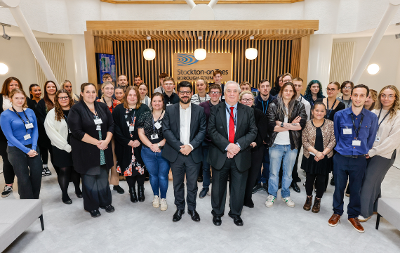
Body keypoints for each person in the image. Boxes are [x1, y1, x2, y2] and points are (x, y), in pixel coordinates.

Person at [328, 84, 378, 233]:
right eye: (355, 94)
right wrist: (344, 148)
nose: (358, 98)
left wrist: (363, 150)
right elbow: (336, 135)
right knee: (339, 187)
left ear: (366, 97)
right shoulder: (339, 115)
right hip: (341, 157)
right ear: (351, 96)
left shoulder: (372, 117)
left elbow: (371, 138)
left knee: (356, 189)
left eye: (362, 95)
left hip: (359, 159)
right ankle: (337, 212)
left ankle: (353, 215)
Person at [208, 81, 257, 226]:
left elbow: (253, 131)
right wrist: (228, 146)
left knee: (238, 187)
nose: (231, 94)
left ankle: (235, 213)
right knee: (217, 188)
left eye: (234, 91)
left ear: (239, 93)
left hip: (240, 155)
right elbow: (211, 130)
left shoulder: (248, 111)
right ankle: (217, 213)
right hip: (220, 154)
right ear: (224, 94)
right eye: (228, 91)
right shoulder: (215, 109)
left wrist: (237, 146)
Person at [68, 83, 115, 218]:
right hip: (86, 150)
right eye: (87, 92)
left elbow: (111, 125)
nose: (91, 94)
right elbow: (76, 132)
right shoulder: (76, 110)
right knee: (89, 180)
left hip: (103, 149)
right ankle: (92, 206)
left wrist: (106, 141)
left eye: (93, 92)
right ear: (82, 93)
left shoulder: (102, 106)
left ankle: (105, 202)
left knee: (102, 178)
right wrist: (97, 143)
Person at [162, 81, 206, 222]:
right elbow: (166, 130)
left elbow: (202, 130)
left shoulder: (199, 110)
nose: (185, 94)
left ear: (191, 93)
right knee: (177, 184)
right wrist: (180, 146)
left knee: (192, 184)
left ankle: (192, 209)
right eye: (182, 92)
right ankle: (180, 208)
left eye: (187, 92)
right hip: (176, 153)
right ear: (178, 93)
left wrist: (190, 146)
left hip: (193, 153)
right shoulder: (170, 109)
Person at [359, 85, 400, 222]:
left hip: (384, 155)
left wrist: (373, 151)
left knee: (369, 181)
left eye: (390, 95)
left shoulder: (398, 116)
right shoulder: (374, 112)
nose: (386, 98)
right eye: (383, 95)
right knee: (374, 180)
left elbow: (392, 141)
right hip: (369, 152)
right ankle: (376, 206)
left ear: (396, 98)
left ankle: (365, 212)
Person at [265, 82, 307, 208]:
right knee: (273, 173)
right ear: (282, 91)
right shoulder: (273, 105)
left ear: (294, 92)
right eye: (286, 90)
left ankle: (285, 194)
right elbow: (271, 127)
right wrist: (290, 125)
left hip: (292, 145)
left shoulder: (300, 106)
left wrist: (282, 124)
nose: (288, 93)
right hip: (276, 144)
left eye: (290, 90)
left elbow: (301, 126)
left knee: (288, 173)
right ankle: (272, 194)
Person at [0, 89, 42, 199]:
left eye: (22, 98)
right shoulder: (5, 115)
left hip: (32, 147)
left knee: (37, 175)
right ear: (11, 99)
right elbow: (9, 136)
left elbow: (35, 130)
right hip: (16, 149)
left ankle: (35, 202)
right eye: (16, 98)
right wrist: (26, 150)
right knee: (23, 179)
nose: (20, 100)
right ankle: (28, 206)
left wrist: (33, 147)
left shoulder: (30, 111)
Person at [113, 86, 150, 203]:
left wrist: (140, 139)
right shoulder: (118, 109)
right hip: (124, 146)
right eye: (130, 95)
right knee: (128, 169)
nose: (132, 97)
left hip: (140, 145)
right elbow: (115, 128)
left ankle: (140, 189)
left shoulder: (144, 109)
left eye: (135, 95)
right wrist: (127, 141)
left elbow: (148, 126)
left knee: (140, 169)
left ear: (138, 96)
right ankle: (132, 190)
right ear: (126, 96)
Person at [44, 89, 82, 204]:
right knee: (64, 170)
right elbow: (51, 132)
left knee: (76, 169)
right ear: (57, 99)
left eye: (65, 97)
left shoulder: (76, 110)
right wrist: (66, 146)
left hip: (76, 144)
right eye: (61, 97)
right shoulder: (52, 113)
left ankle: (77, 189)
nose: (63, 99)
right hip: (60, 145)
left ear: (69, 98)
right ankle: (64, 194)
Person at [301, 102, 336, 213]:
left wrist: (323, 154)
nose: (319, 113)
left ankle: (317, 200)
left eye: (322, 111)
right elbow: (304, 141)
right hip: (310, 156)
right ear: (312, 111)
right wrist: (317, 153)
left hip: (325, 158)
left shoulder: (331, 124)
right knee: (309, 179)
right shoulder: (307, 124)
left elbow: (333, 140)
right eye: (317, 110)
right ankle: (309, 198)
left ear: (325, 112)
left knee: (321, 181)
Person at [138, 92, 169, 211]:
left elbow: (172, 133)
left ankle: (164, 198)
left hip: (164, 150)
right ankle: (156, 196)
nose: (157, 103)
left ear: (163, 102)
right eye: (154, 101)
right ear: (151, 102)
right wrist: (151, 145)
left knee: (162, 176)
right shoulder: (144, 115)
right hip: (148, 151)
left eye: (159, 101)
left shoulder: (169, 115)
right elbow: (140, 133)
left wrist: (159, 144)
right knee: (153, 175)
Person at [241, 91, 268, 208]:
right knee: (241, 176)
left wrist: (254, 143)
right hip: (240, 149)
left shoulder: (259, 114)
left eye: (249, 99)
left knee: (252, 176)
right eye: (244, 99)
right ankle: (239, 198)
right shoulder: (236, 113)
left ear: (253, 101)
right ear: (240, 100)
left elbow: (262, 132)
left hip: (255, 149)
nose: (247, 102)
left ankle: (247, 198)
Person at [96, 81, 124, 194]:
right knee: (104, 160)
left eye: (111, 88)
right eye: (107, 88)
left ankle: (115, 183)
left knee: (115, 159)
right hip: (101, 136)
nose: (109, 91)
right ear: (102, 90)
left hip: (115, 135)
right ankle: (104, 184)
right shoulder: (96, 103)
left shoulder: (118, 103)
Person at [316, 81, 345, 187]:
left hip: (332, 137)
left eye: (333, 89)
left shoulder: (341, 105)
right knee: (316, 158)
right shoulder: (319, 100)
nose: (330, 91)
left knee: (327, 160)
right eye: (328, 88)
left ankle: (322, 185)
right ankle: (314, 182)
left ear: (338, 91)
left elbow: (340, 123)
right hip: (317, 134)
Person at [0, 77, 25, 197]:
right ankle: (9, 184)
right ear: (6, 86)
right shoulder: (1, 98)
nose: (14, 87)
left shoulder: (24, 99)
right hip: (3, 136)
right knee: (7, 160)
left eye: (17, 84)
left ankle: (24, 182)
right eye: (11, 85)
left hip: (22, 136)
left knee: (22, 159)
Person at [198, 84, 222, 198]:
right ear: (209, 94)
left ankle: (217, 189)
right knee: (206, 167)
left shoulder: (224, 106)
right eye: (212, 92)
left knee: (218, 167)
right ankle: (205, 187)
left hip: (220, 143)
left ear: (220, 94)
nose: (214, 94)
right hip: (206, 142)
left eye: (217, 92)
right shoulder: (202, 106)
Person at [252, 79, 275, 193]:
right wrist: (260, 138)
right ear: (259, 88)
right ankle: (256, 182)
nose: (265, 88)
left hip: (271, 138)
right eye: (263, 86)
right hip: (257, 138)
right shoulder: (254, 102)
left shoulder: (276, 101)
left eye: (267, 86)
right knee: (257, 162)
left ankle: (265, 182)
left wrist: (268, 138)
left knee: (268, 162)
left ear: (270, 88)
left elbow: (276, 120)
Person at [36, 81, 58, 177]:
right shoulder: (41, 103)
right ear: (45, 89)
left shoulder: (61, 99)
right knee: (53, 153)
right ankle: (59, 172)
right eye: (49, 87)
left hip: (62, 131)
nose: (51, 88)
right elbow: (41, 119)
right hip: (48, 133)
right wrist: (52, 127)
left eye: (53, 86)